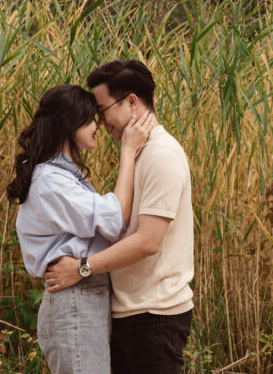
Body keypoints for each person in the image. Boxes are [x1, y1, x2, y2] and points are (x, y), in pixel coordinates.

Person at [46, 60, 194, 374]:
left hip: (154, 316)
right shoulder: (139, 152)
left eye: (102, 110)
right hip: (132, 313)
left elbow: (148, 241)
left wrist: (82, 269)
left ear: (131, 102)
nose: (99, 122)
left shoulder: (161, 155)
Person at [6, 84, 156, 374]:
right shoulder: (50, 180)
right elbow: (114, 220)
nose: (98, 124)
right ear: (68, 123)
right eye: (90, 117)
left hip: (83, 298)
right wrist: (128, 151)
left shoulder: (61, 176)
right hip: (74, 302)